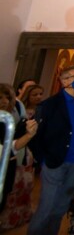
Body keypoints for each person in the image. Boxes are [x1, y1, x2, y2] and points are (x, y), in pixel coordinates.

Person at [28, 65, 74, 235]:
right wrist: (43, 159)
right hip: (55, 161)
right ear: (64, 80)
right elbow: (36, 136)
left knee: (62, 205)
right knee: (47, 206)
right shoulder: (49, 105)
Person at [0, 84, 38, 231]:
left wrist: (29, 135)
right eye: (0, 97)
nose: (4, 101)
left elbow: (13, 146)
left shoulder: (8, 121)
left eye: (8, 98)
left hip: (6, 167)